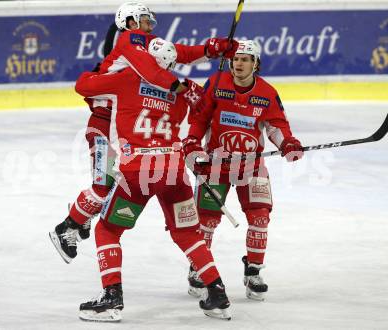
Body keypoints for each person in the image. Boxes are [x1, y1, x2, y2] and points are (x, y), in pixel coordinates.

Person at [49, 1, 238, 263]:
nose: (152, 26)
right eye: (146, 20)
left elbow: (177, 53)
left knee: (115, 185)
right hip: (105, 124)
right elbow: (151, 73)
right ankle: (66, 228)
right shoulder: (131, 40)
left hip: (121, 125)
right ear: (130, 22)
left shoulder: (145, 45)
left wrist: (210, 49)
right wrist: (181, 87)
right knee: (103, 186)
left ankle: (80, 218)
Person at [74, 38, 231, 322]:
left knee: (107, 231)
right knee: (187, 233)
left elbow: (83, 85)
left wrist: (105, 67)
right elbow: (208, 111)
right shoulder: (183, 90)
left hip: (138, 171)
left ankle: (111, 299)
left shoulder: (126, 78)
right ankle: (217, 292)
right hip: (173, 170)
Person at [182, 40, 304, 301]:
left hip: (251, 164)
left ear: (256, 64)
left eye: (246, 59)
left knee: (260, 217)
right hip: (216, 163)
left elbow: (276, 126)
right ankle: (198, 269)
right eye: (236, 58)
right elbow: (200, 118)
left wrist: (287, 143)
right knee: (207, 219)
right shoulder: (215, 84)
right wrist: (192, 143)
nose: (239, 63)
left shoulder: (267, 93)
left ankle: (254, 270)